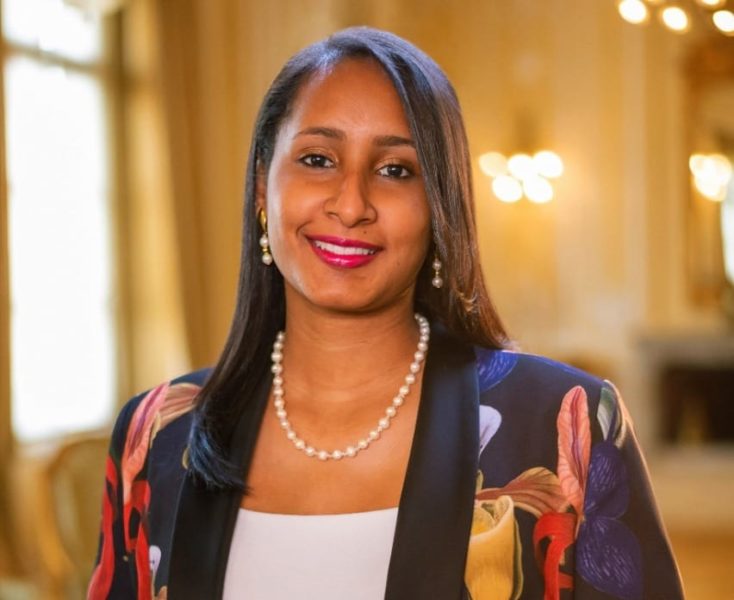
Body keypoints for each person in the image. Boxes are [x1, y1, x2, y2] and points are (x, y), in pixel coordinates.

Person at [88, 26, 683, 600]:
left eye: (396, 170)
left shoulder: (565, 422)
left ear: (439, 205)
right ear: (262, 185)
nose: (351, 205)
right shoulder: (156, 433)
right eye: (318, 159)